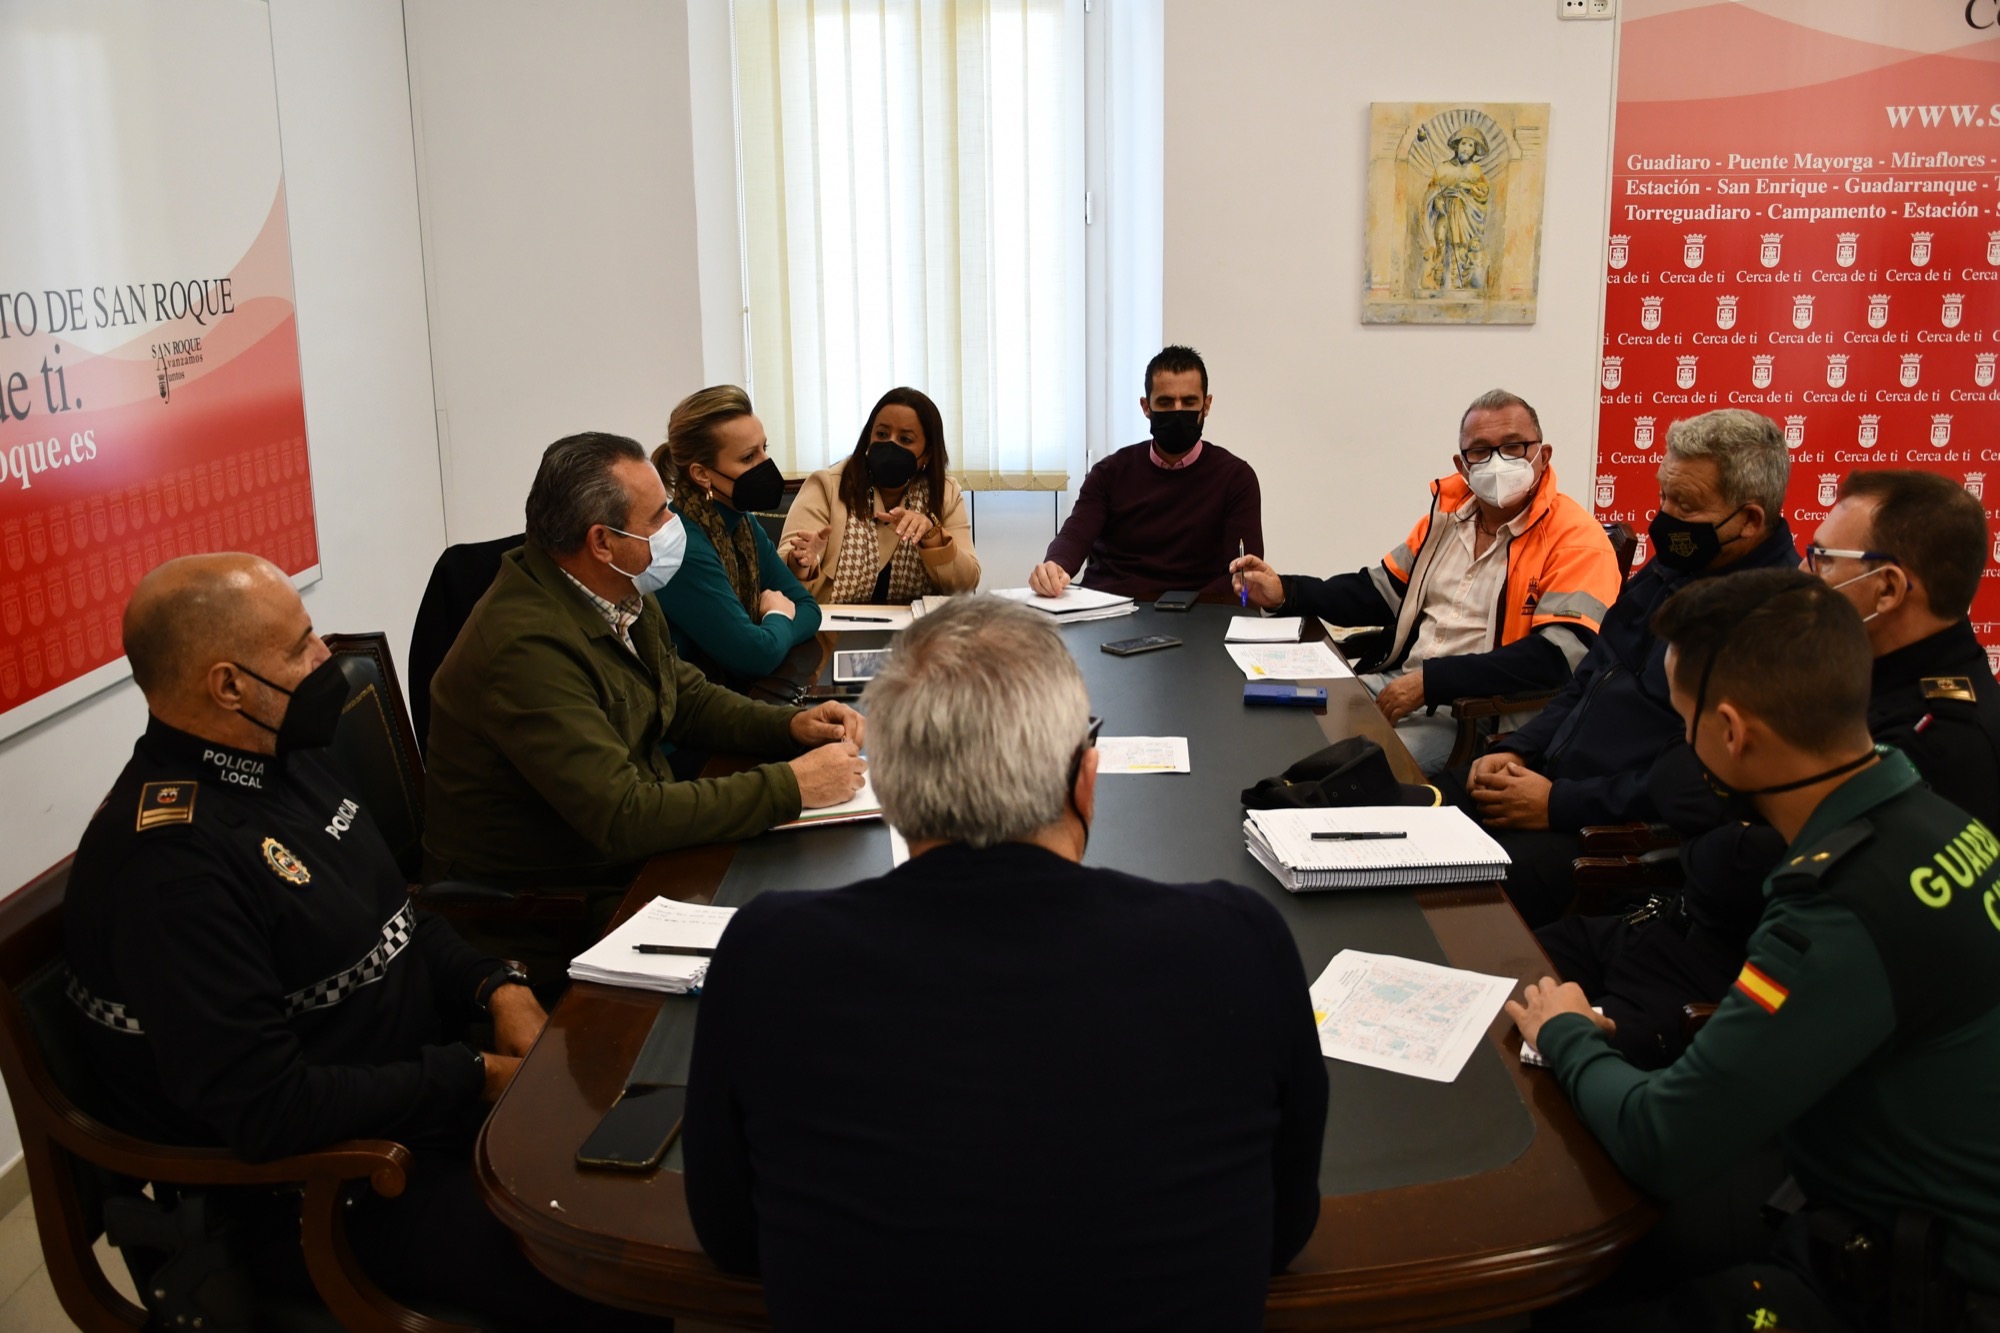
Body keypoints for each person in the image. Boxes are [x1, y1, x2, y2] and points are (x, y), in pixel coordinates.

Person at [682, 595, 1327, 1331]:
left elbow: (732, 1238)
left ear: (888, 788)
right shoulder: (1239, 945)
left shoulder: (769, 956)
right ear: (1085, 779)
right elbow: (1282, 1232)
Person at [63, 553, 661, 1330]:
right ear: (228, 686)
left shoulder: (289, 761)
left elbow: (398, 919)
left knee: (652, 1144)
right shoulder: (169, 866)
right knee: (610, 1266)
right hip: (322, 1191)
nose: (325, 658)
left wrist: (496, 985)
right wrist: (474, 1074)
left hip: (417, 1112)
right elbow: (270, 1108)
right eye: (299, 647)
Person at [1509, 567, 2000, 1333]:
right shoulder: (1939, 822)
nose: (1684, 747)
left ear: (1733, 733)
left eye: (1685, 724)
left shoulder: (1834, 907)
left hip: (1909, 1278)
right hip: (1870, 1183)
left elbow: (1660, 1140)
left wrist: (1566, 1031)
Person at [1538, 470, 2000, 1068]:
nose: (1804, 574)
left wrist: (1715, 828)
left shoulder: (1941, 737)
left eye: (1823, 559)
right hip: (1670, 928)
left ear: (1886, 589)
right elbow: (1674, 769)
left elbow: (1750, 876)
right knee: (1501, 966)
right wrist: (1729, 818)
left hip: (1744, 984)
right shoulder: (1829, 662)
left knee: (1524, 1062)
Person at [423, 432, 868, 962]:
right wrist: (791, 786)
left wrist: (789, 727)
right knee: (792, 946)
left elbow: (685, 696)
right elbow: (623, 815)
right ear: (601, 542)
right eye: (658, 516)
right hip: (550, 909)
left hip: (624, 861)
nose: (673, 525)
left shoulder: (619, 589)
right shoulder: (524, 647)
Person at [1456, 408, 1800, 927]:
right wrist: (1518, 748)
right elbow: (1590, 676)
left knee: (1452, 899)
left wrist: (1558, 803)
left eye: (1685, 504)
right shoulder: (1676, 566)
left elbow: (1698, 784)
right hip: (1543, 780)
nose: (1665, 516)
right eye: (1664, 495)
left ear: (1749, 520)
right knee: (1413, 814)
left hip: (1600, 831)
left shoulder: (1775, 623)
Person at [1230, 389, 1619, 775]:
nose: (1497, 461)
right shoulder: (1446, 520)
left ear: (1542, 455)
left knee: (1338, 771)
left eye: (1513, 447)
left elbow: (1557, 658)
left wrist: (1432, 682)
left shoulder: (1576, 539)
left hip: (1476, 716)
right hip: (1398, 683)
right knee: (1269, 716)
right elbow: (1379, 591)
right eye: (1480, 451)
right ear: (1462, 465)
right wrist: (1286, 591)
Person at [1029, 344, 1263, 601]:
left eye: (1189, 402)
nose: (1177, 411)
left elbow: (1243, 574)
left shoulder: (1236, 478)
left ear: (1206, 405)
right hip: (1112, 607)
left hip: (1197, 612)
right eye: (1165, 402)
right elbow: (1075, 534)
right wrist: (1055, 566)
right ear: (1146, 407)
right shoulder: (1109, 473)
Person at [651, 385, 821, 688]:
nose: (765, 464)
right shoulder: (682, 545)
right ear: (702, 474)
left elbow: (809, 608)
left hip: (739, 696)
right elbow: (755, 656)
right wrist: (778, 615)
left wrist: (771, 634)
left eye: (764, 449)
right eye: (748, 457)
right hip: (691, 706)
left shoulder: (743, 525)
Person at [777, 386, 981, 603]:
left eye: (905, 439)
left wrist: (932, 537)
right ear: (869, 438)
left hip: (918, 622)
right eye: (882, 434)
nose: (890, 444)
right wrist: (800, 562)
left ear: (927, 454)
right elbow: (782, 577)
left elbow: (966, 584)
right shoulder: (828, 485)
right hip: (832, 621)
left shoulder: (944, 493)